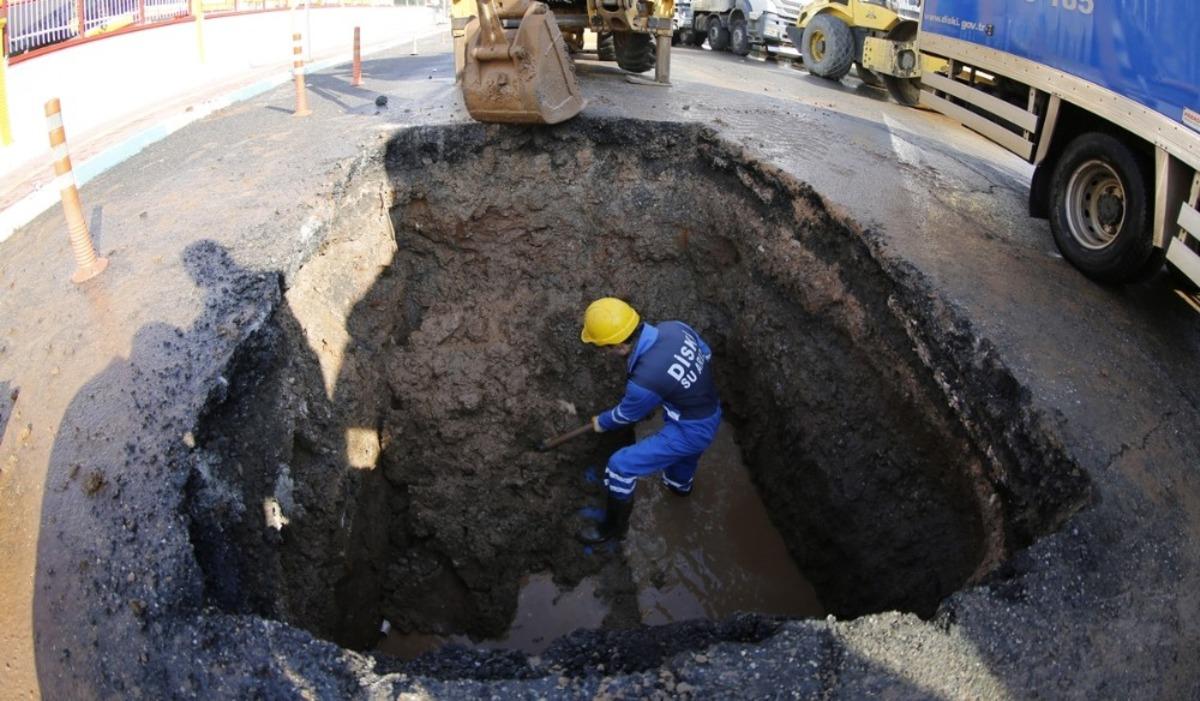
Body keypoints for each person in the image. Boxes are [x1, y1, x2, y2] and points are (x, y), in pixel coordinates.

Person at [576, 297, 722, 545]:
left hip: (689, 430)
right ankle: (680, 490)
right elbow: (705, 354)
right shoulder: (676, 328)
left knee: (620, 467)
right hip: (710, 411)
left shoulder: (643, 381)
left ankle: (612, 529)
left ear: (620, 346)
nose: (608, 354)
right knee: (678, 475)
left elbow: (626, 415)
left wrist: (601, 422)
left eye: (606, 349)